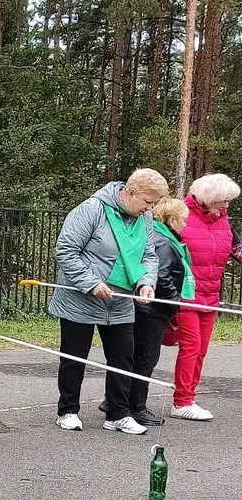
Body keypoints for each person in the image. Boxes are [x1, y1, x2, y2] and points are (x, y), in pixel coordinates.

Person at [48, 168, 166, 435]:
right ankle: (67, 410)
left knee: (123, 357)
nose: (150, 209)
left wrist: (146, 282)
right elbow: (66, 250)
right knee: (73, 357)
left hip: (121, 300)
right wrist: (90, 282)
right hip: (80, 298)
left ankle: (118, 414)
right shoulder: (91, 209)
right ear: (131, 192)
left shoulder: (144, 218)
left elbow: (149, 256)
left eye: (154, 204)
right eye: (147, 202)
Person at [169, 173, 242, 421]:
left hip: (211, 296)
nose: (226, 205)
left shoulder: (224, 221)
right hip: (186, 295)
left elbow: (236, 248)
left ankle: (189, 396)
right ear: (209, 197)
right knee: (190, 347)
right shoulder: (181, 216)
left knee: (200, 350)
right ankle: (181, 402)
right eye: (223, 200)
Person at [118, 197, 193, 426]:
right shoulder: (163, 242)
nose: (186, 226)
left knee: (135, 356)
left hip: (147, 309)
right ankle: (136, 406)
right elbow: (161, 277)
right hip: (150, 310)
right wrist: (175, 303)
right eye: (184, 221)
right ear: (172, 220)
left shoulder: (161, 238)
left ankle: (118, 401)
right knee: (145, 358)